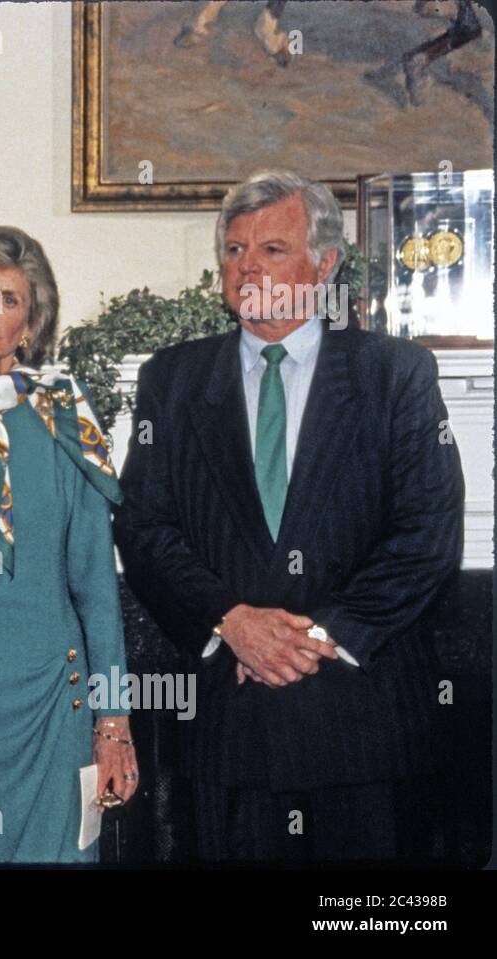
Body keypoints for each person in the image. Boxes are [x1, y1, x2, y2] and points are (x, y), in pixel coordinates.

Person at [113, 169, 464, 863]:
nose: (247, 268)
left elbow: (428, 532)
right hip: (226, 730)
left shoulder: (395, 373)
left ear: (325, 263)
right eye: (234, 251)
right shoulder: (174, 380)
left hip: (364, 723)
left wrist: (322, 635)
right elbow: (145, 529)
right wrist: (232, 622)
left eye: (271, 249)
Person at [0, 226, 136, 864]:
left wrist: (113, 722)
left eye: (10, 300)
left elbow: (96, 584)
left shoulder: (66, 413)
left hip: (52, 709)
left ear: (32, 324)